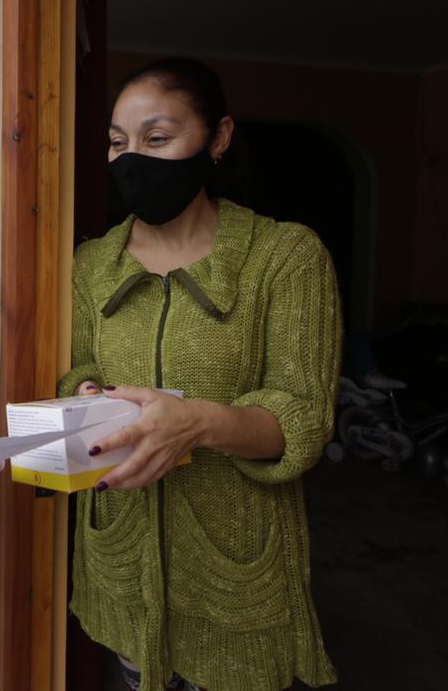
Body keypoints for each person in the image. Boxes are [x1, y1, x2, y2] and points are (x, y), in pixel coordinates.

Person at [62, 58, 340, 691]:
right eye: (118, 142)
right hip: (123, 564)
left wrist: (201, 423)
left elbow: (303, 419)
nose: (133, 158)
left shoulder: (284, 258)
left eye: (158, 139)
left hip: (236, 572)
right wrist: (83, 396)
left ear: (217, 138)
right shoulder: (90, 264)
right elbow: (76, 369)